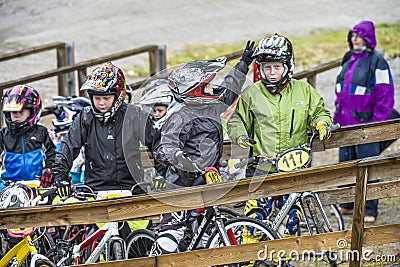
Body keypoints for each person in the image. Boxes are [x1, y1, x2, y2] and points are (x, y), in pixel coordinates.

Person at [149, 40, 255, 255]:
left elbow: (229, 89)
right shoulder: (179, 116)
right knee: (172, 237)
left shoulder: (212, 107)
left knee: (205, 236)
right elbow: (163, 148)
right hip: (181, 184)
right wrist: (184, 161)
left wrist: (243, 64)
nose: (212, 88)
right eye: (207, 86)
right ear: (195, 91)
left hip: (207, 180)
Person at [227, 34, 333, 239]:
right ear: (260, 69)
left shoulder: (303, 91)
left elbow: (320, 111)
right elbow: (235, 120)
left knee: (289, 229)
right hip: (261, 170)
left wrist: (322, 123)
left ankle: (283, 262)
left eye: (277, 67)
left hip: (295, 170)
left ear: (288, 66)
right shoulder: (251, 94)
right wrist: (239, 135)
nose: (272, 72)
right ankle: (250, 260)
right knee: (253, 227)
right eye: (267, 67)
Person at [52, 62, 149, 235]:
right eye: (97, 98)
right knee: (91, 240)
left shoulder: (134, 115)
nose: (101, 103)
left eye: (106, 98)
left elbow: (159, 144)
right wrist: (60, 175)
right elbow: (68, 145)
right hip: (96, 190)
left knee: (140, 242)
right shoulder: (85, 117)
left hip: (132, 189)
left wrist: (163, 172)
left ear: (118, 96)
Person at [333, 20, 395, 223]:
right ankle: (348, 202)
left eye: (359, 36)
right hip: (345, 123)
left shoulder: (378, 62)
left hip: (367, 125)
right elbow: (340, 92)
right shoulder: (348, 58)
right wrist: (336, 117)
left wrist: (377, 125)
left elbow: (385, 96)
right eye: (352, 35)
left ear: (368, 38)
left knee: (369, 166)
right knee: (346, 163)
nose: (355, 39)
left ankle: (370, 207)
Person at [0, 85, 56, 190]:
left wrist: (49, 169)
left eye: (21, 112)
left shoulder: (42, 132)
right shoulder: (3, 135)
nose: (16, 115)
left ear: (32, 112)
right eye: (13, 112)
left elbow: (52, 154)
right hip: (8, 187)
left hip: (38, 186)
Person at [138, 79, 174, 185]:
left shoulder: (174, 128)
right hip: (160, 175)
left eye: (160, 110)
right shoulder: (150, 128)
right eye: (154, 111)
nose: (156, 115)